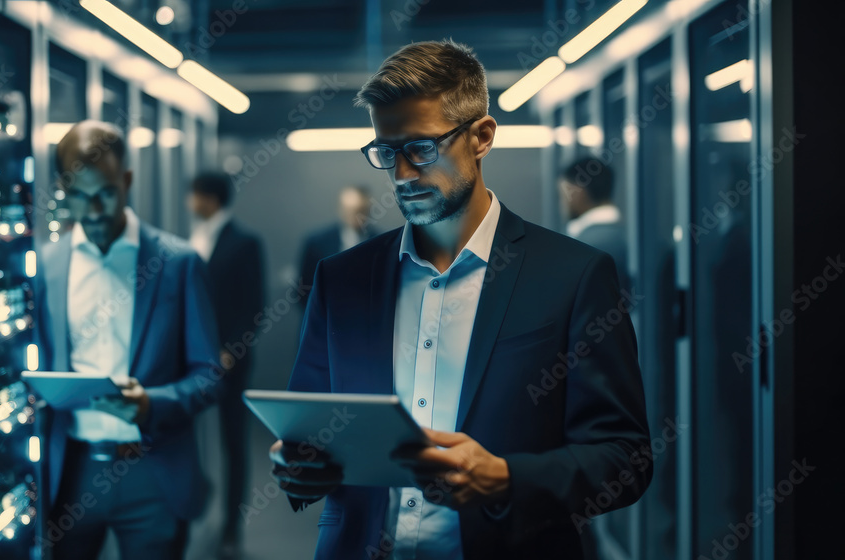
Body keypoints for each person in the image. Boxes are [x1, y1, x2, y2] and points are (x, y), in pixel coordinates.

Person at [268, 40, 652, 559]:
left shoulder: (573, 275)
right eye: (387, 152)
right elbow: (308, 432)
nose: (402, 175)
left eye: (422, 149)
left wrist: (508, 478)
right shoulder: (341, 280)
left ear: (482, 137)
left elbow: (624, 458)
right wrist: (298, 469)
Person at [34, 120, 224, 560]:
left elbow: (210, 377)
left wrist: (152, 403)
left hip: (152, 472)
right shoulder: (47, 266)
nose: (94, 211)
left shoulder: (178, 263)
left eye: (105, 194)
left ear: (128, 181)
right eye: (78, 197)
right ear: (64, 189)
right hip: (72, 472)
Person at [186, 171, 265, 559]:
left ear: (210, 198)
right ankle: (194, 503)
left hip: (230, 362)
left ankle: (232, 527)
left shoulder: (245, 242)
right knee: (183, 432)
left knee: (233, 445)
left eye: (195, 195)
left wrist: (230, 351)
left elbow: (255, 305)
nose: (190, 203)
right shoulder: (192, 238)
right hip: (192, 360)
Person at [297, 184, 377, 308]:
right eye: (350, 211)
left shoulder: (382, 242)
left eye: (360, 211)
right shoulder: (317, 243)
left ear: (368, 210)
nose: (355, 217)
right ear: (342, 210)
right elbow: (303, 289)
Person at [559, 157, 630, 292]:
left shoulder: (583, 245)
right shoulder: (625, 234)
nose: (561, 204)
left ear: (578, 192)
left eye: (562, 196)